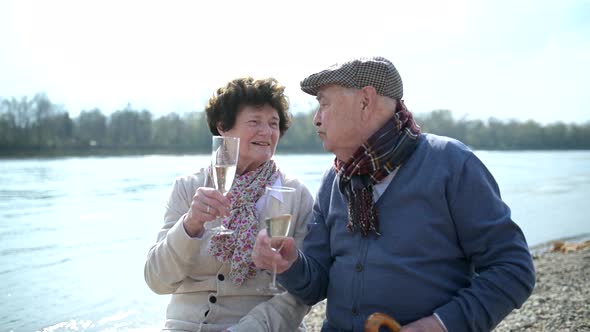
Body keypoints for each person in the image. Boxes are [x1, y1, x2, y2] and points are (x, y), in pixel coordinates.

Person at [252, 57, 536, 332]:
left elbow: (513, 268)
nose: (316, 119)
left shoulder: (451, 164)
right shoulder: (333, 180)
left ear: (365, 101)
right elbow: (316, 285)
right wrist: (290, 265)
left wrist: (442, 325)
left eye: (324, 104)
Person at [144, 77, 313, 331]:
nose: (266, 132)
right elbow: (157, 281)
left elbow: (301, 292)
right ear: (223, 127)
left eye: (273, 124)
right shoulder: (188, 188)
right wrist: (189, 226)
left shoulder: (296, 195)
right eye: (255, 122)